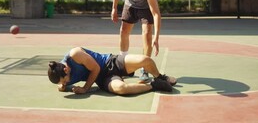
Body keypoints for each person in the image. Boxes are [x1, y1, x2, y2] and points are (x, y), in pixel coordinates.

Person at [48, 47, 177, 95]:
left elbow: (96, 69)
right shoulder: (61, 74)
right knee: (122, 88)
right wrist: (62, 86)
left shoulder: (75, 54)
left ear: (66, 69)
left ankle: (160, 77)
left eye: (66, 79)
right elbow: (62, 84)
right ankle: (153, 85)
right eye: (65, 81)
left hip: (109, 62)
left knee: (145, 60)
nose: (68, 81)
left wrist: (85, 88)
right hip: (102, 79)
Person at [111, 0, 161, 82]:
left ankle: (145, 69)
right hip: (130, 3)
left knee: (147, 34)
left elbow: (156, 14)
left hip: (146, 5)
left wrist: (156, 37)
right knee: (123, 31)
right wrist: (114, 8)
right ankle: (123, 66)